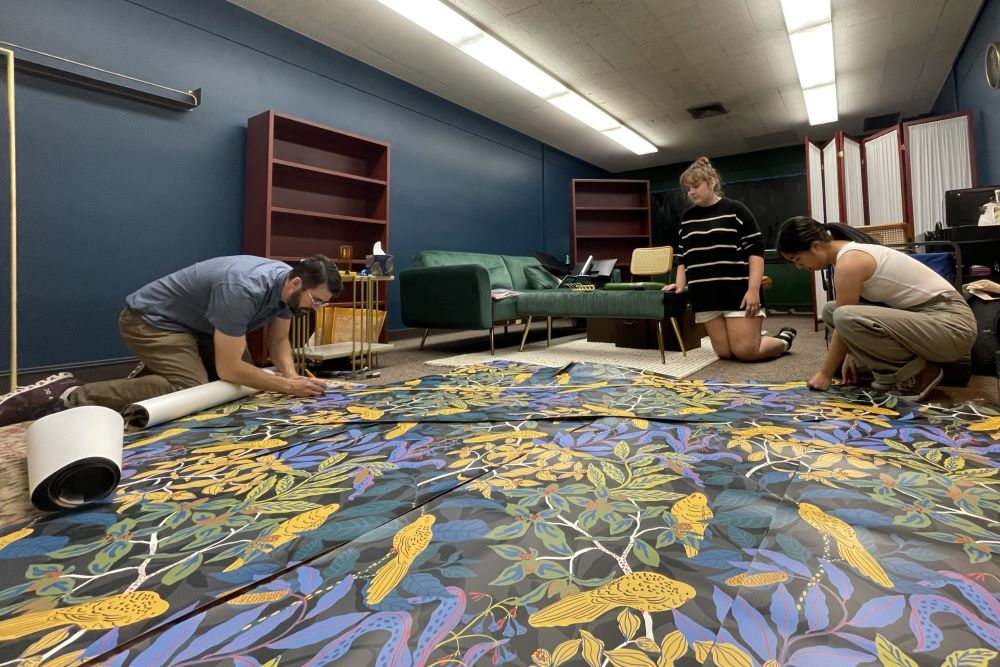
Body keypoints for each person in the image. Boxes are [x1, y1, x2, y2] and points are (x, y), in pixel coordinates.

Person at [0, 254, 343, 426]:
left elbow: (279, 342)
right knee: (190, 388)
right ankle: (72, 394)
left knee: (242, 387)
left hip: (197, 327)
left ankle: (154, 374)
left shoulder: (287, 289)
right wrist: (283, 386)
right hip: (152, 322)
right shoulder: (243, 289)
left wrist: (290, 376)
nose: (316, 309)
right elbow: (230, 367)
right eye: (316, 301)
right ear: (296, 284)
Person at [776, 216, 977, 400]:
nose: (799, 267)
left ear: (816, 246)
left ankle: (920, 375)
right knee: (831, 310)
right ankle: (901, 370)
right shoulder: (847, 255)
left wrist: (824, 374)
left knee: (843, 315)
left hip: (952, 326)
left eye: (797, 259)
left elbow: (846, 319)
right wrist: (850, 355)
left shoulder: (849, 262)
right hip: (928, 320)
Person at [662, 157, 797, 361]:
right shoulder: (687, 218)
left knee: (746, 352)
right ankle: (755, 338)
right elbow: (683, 257)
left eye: (696, 186)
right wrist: (679, 285)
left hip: (738, 291)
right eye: (688, 189)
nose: (691, 192)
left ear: (713, 182)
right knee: (725, 353)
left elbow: (755, 251)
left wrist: (753, 290)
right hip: (705, 295)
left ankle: (784, 339)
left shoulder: (736, 210)